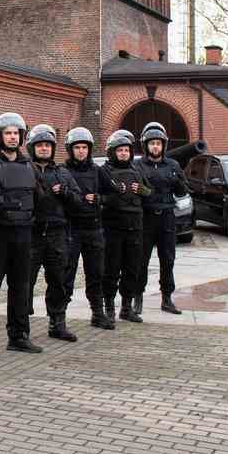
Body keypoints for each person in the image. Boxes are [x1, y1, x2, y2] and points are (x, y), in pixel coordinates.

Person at [0, 112, 39, 355]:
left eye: (16, 133)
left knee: (21, 286)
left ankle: (19, 335)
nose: (12, 137)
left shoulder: (28, 164)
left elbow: (37, 197)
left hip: (24, 234)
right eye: (8, 133)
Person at [25, 124, 85, 343]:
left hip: (57, 234)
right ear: (32, 148)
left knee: (57, 280)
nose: (43, 149)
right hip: (32, 234)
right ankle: (21, 327)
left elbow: (78, 202)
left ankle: (57, 322)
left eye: (47, 146)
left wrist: (66, 192)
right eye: (39, 145)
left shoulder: (62, 173)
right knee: (25, 281)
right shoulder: (25, 169)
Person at [135, 122, 190, 316]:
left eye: (158, 143)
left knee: (167, 259)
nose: (155, 147)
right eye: (152, 143)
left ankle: (167, 298)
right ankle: (137, 296)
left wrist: (179, 181)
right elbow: (135, 190)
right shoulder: (137, 165)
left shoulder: (172, 165)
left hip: (166, 217)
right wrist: (143, 190)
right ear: (146, 145)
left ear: (163, 145)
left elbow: (182, 192)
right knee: (141, 259)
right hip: (146, 217)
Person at [62, 127, 113, 329]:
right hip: (71, 230)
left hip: (94, 229)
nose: (81, 151)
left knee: (96, 273)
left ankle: (98, 313)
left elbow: (114, 195)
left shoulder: (97, 171)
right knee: (67, 274)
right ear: (70, 149)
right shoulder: (63, 171)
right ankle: (60, 318)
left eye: (84, 147)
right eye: (77, 147)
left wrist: (101, 199)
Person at [99, 130, 149, 323]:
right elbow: (98, 197)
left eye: (126, 150)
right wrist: (113, 196)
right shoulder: (104, 171)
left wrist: (142, 190)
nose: (123, 153)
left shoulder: (137, 170)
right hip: (113, 228)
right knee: (111, 269)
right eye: (119, 150)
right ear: (112, 152)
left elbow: (150, 192)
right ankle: (109, 307)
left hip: (135, 227)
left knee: (132, 269)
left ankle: (126, 308)